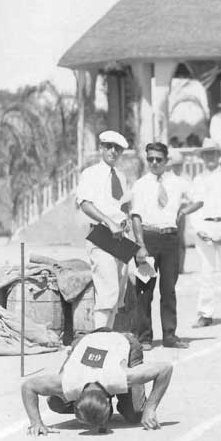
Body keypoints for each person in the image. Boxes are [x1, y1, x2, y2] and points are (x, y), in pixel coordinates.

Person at [21, 330, 173, 435]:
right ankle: (99, 410)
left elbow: (165, 369)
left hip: (122, 340)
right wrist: (36, 423)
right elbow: (28, 387)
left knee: (135, 415)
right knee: (56, 402)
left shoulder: (121, 377)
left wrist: (150, 409)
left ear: (108, 399)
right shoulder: (67, 382)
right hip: (85, 341)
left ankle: (123, 405)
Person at [129, 142, 202, 349]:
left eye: (158, 159)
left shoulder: (178, 183)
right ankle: (144, 338)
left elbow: (199, 200)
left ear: (166, 160)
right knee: (144, 291)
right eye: (150, 159)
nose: (154, 163)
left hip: (170, 240)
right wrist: (140, 245)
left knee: (168, 290)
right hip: (149, 238)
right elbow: (135, 217)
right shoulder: (140, 184)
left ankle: (170, 336)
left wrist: (184, 212)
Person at [75, 130, 134, 329]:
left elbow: (124, 208)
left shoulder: (122, 176)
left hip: (122, 237)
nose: (112, 151)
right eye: (108, 146)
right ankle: (99, 339)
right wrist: (109, 222)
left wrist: (126, 227)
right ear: (101, 148)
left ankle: (108, 338)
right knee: (107, 292)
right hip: (102, 234)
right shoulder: (90, 174)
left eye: (117, 148)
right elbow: (84, 204)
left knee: (118, 295)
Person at [190, 140, 221, 327]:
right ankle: (205, 314)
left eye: (213, 153)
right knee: (206, 273)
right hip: (205, 229)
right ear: (202, 157)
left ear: (220, 155)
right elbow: (194, 207)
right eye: (206, 154)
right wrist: (199, 229)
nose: (210, 157)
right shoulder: (198, 179)